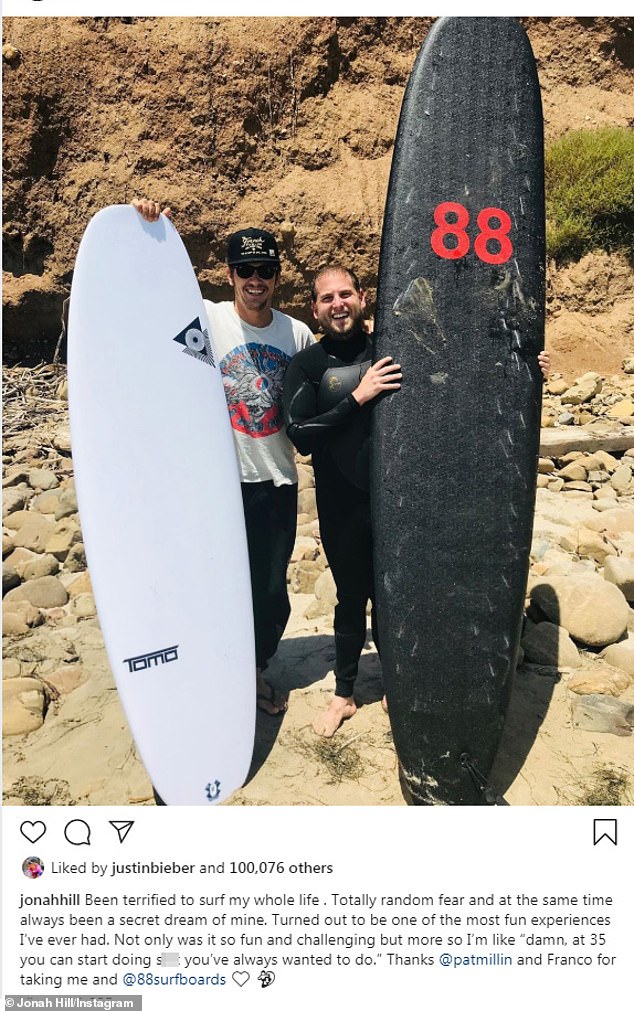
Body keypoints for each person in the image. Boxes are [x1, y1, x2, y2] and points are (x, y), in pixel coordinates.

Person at [283, 264, 551, 738]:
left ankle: (397, 685)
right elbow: (301, 434)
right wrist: (358, 397)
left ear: (363, 297)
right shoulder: (308, 365)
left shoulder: (395, 347)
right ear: (314, 308)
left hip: (402, 502)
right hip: (342, 503)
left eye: (345, 294)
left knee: (399, 594)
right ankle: (344, 695)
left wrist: (522, 369)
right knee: (351, 597)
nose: (338, 304)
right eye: (327, 299)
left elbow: (459, 382)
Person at [132, 199, 314, 715]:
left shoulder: (295, 333)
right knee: (210, 584)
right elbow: (152, 306)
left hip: (276, 480)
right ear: (230, 273)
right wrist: (148, 231)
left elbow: (313, 396)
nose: (255, 279)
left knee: (269, 592)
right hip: (216, 483)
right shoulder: (206, 321)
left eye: (265, 270)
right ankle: (217, 674)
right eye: (245, 269)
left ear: (276, 276)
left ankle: (251, 672)